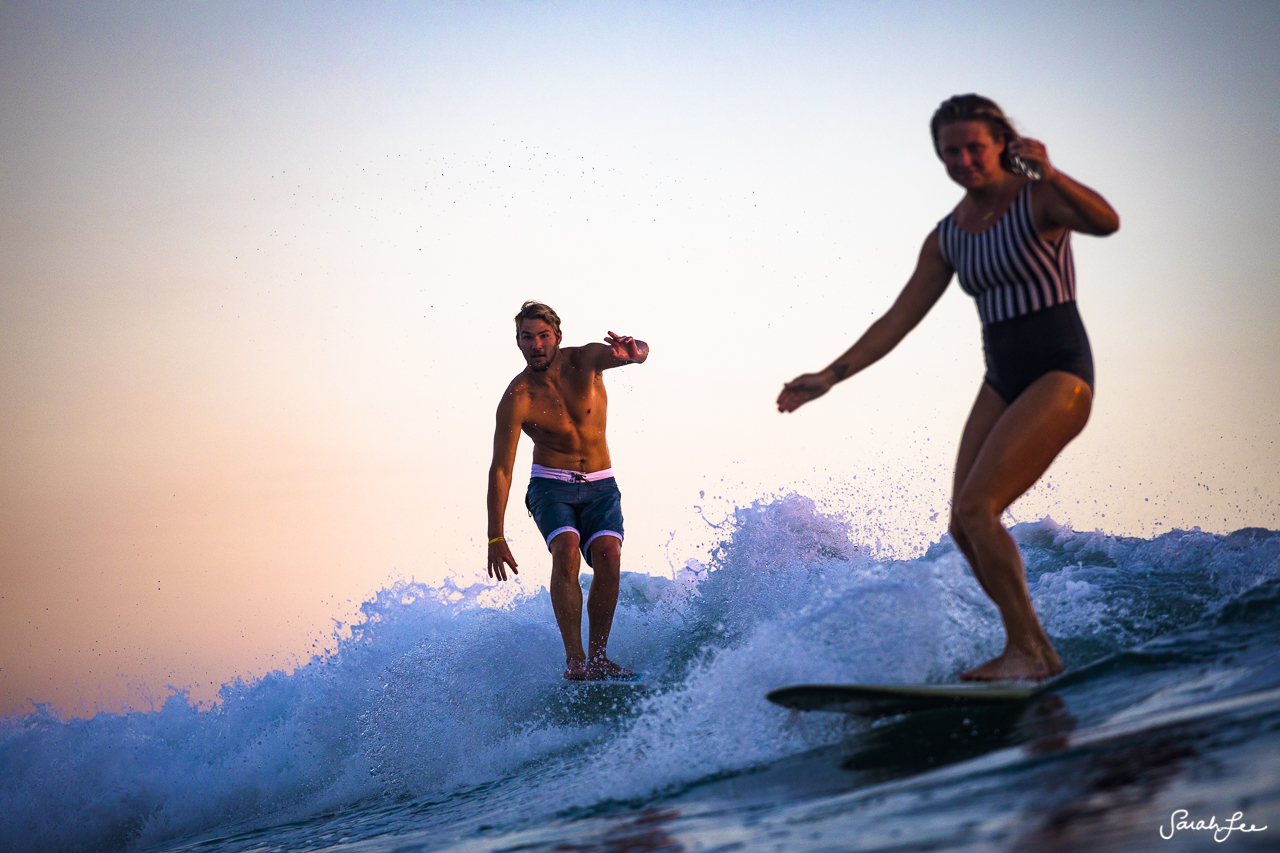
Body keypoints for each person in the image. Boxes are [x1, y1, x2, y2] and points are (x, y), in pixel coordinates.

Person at [777, 94, 1120, 681]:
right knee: (963, 524)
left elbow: (1107, 223)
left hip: (1059, 370)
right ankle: (1036, 649)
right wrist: (829, 377)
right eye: (949, 152)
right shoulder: (949, 236)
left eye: (973, 147)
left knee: (978, 506)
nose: (963, 160)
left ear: (1001, 144)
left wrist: (1052, 172)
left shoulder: (1038, 197)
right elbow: (897, 319)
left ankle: (1027, 651)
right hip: (1002, 376)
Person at [487, 301, 649, 680]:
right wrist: (496, 534)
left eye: (544, 336)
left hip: (600, 483)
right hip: (550, 485)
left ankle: (598, 657)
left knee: (609, 553)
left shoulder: (587, 361)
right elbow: (501, 469)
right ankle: (575, 659)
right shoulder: (519, 397)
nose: (536, 345)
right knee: (567, 548)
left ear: (558, 337)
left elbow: (640, 351)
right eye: (527, 338)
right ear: (518, 343)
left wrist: (634, 352)